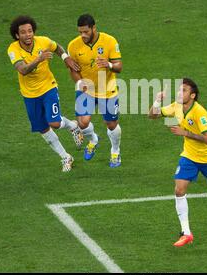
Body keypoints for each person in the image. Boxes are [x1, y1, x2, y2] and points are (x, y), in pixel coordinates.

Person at [149, 78, 207, 247]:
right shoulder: (176, 106)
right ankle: (186, 233)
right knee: (179, 189)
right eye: (179, 89)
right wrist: (157, 100)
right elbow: (152, 115)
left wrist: (185, 133)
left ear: (192, 95)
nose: (179, 93)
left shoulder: (200, 112)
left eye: (183, 90)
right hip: (189, 156)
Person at [7, 15, 83, 172]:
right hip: (29, 94)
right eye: (23, 32)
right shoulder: (13, 49)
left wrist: (65, 58)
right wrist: (39, 59)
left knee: (54, 123)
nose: (28, 35)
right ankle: (66, 157)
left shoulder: (43, 41)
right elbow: (23, 70)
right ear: (17, 35)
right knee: (43, 128)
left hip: (48, 87)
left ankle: (73, 126)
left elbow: (57, 47)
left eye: (30, 31)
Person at [67, 14, 122, 167]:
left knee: (111, 124)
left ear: (93, 28)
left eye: (86, 32)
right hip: (87, 88)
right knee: (83, 123)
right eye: (80, 32)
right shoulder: (73, 45)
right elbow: (73, 70)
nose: (83, 35)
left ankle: (115, 152)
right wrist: (80, 82)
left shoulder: (109, 41)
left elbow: (119, 66)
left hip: (107, 89)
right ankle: (93, 140)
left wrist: (109, 65)